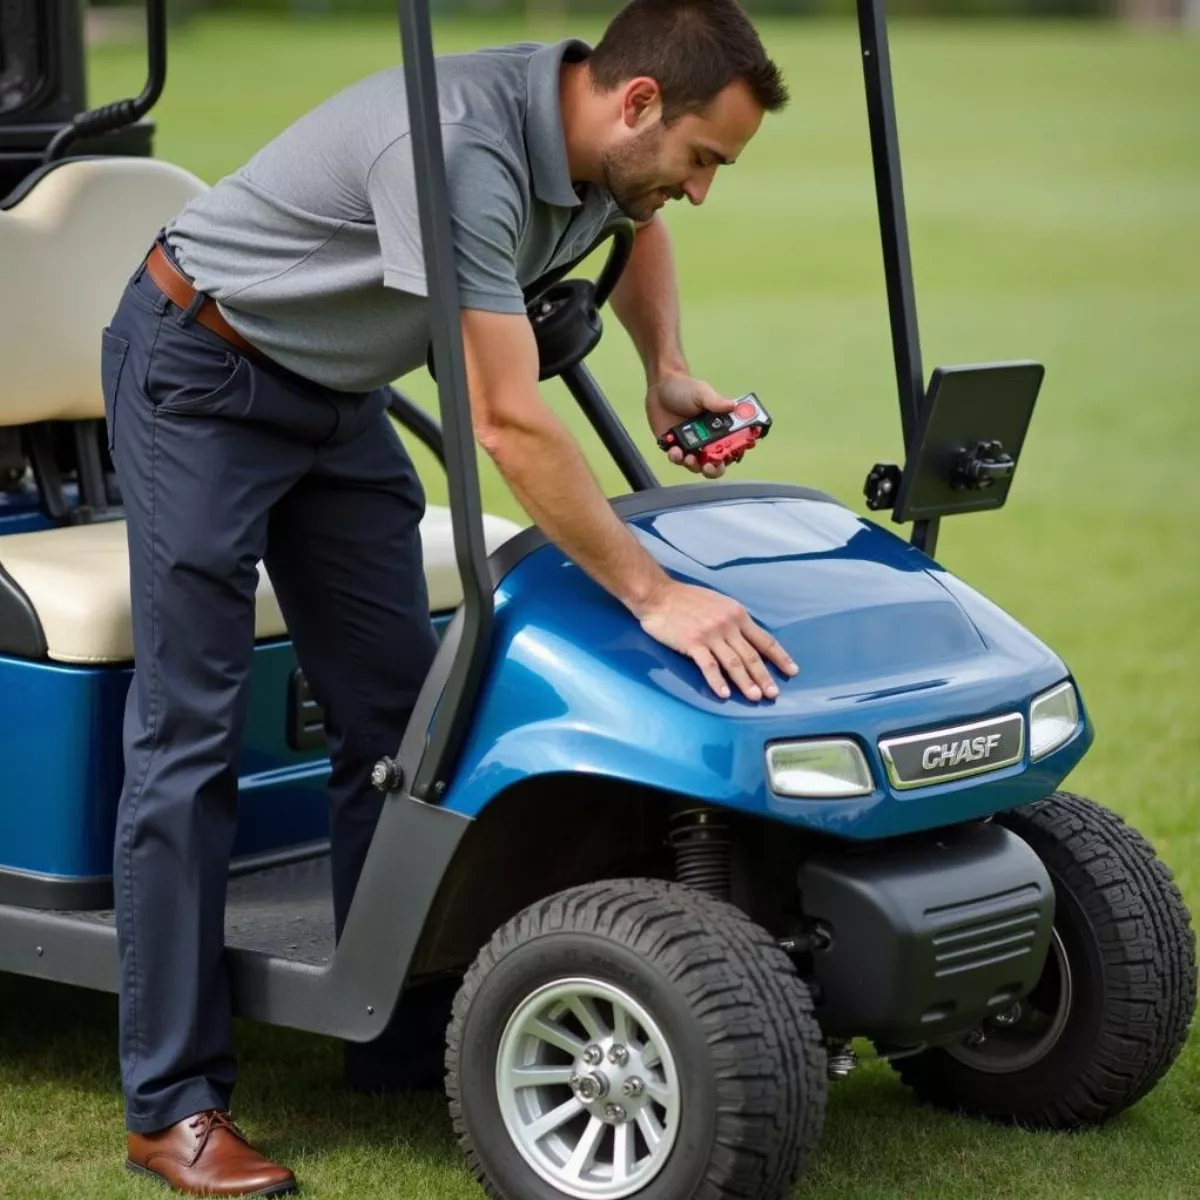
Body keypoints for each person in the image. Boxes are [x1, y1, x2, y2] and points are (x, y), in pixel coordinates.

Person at [99, 0, 794, 1193]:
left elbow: (631, 222)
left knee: (405, 724)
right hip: (202, 369)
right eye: (701, 159)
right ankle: (173, 1105)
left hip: (332, 394)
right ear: (636, 105)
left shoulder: (598, 143)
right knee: (191, 729)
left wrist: (665, 365)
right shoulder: (461, 146)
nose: (700, 188)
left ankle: (397, 1032)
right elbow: (505, 420)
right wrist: (654, 595)